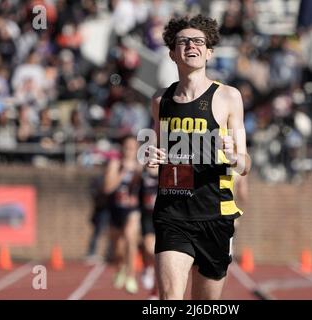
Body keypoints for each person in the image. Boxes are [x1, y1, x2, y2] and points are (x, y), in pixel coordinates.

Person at [146, 14, 251, 300]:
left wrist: (232, 155)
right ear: (172, 53)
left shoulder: (228, 97)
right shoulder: (160, 100)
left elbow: (245, 164)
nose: (191, 46)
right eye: (183, 42)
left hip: (214, 215)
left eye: (198, 41)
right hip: (172, 213)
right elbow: (157, 156)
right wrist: (152, 159)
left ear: (209, 51)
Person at [104, 135, 142, 294]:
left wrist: (138, 174)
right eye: (127, 147)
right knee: (118, 250)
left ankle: (131, 276)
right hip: (116, 210)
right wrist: (123, 173)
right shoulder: (115, 164)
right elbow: (107, 188)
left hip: (132, 210)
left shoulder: (140, 166)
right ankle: (120, 267)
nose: (129, 151)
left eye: (133, 148)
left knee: (129, 236)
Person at [139, 166, 159, 299]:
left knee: (161, 256)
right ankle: (148, 268)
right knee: (148, 247)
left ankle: (155, 291)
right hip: (147, 216)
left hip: (164, 216)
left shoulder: (167, 169)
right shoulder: (142, 172)